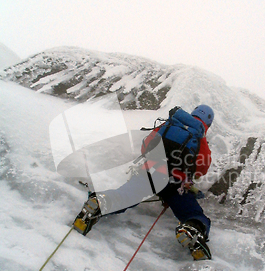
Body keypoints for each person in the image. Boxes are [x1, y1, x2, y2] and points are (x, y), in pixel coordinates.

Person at [73, 105, 214, 260]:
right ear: (208, 124)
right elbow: (202, 169)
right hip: (175, 185)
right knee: (192, 212)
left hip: (149, 174)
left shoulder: (169, 124)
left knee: (125, 196)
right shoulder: (200, 139)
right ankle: (193, 229)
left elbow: (146, 146)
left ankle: (101, 203)